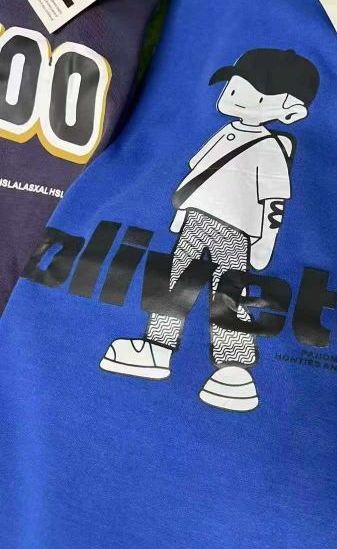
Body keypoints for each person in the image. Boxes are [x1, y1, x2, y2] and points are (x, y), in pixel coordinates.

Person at [100, 48, 320, 411]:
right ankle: (157, 347)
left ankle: (234, 369)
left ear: (290, 112)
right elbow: (197, 175)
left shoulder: (269, 148)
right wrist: (180, 217)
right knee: (174, 282)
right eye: (234, 88)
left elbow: (275, 202)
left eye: (255, 94)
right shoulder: (225, 133)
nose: (236, 96)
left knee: (228, 294)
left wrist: (264, 244)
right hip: (195, 219)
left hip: (235, 230)